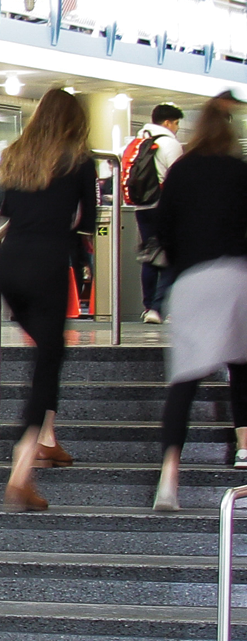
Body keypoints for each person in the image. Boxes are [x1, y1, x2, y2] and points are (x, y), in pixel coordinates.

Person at [0, 88, 96, 512]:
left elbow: (5, 211)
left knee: (50, 352)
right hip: (48, 262)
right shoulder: (78, 158)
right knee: (48, 360)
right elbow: (87, 219)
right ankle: (21, 469)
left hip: (9, 265)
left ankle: (48, 439)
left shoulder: (17, 154)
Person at [150, 94, 247, 511]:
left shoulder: (181, 170)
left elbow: (161, 227)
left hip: (190, 281)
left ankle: (169, 477)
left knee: (184, 382)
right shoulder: (240, 172)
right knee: (242, 367)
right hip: (235, 275)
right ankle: (245, 447)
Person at [132, 103, 186, 324]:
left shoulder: (137, 142)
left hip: (140, 207)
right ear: (167, 122)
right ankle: (158, 308)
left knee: (150, 258)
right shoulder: (170, 145)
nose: (177, 128)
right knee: (170, 257)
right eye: (176, 123)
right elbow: (179, 180)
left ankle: (148, 308)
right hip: (162, 207)